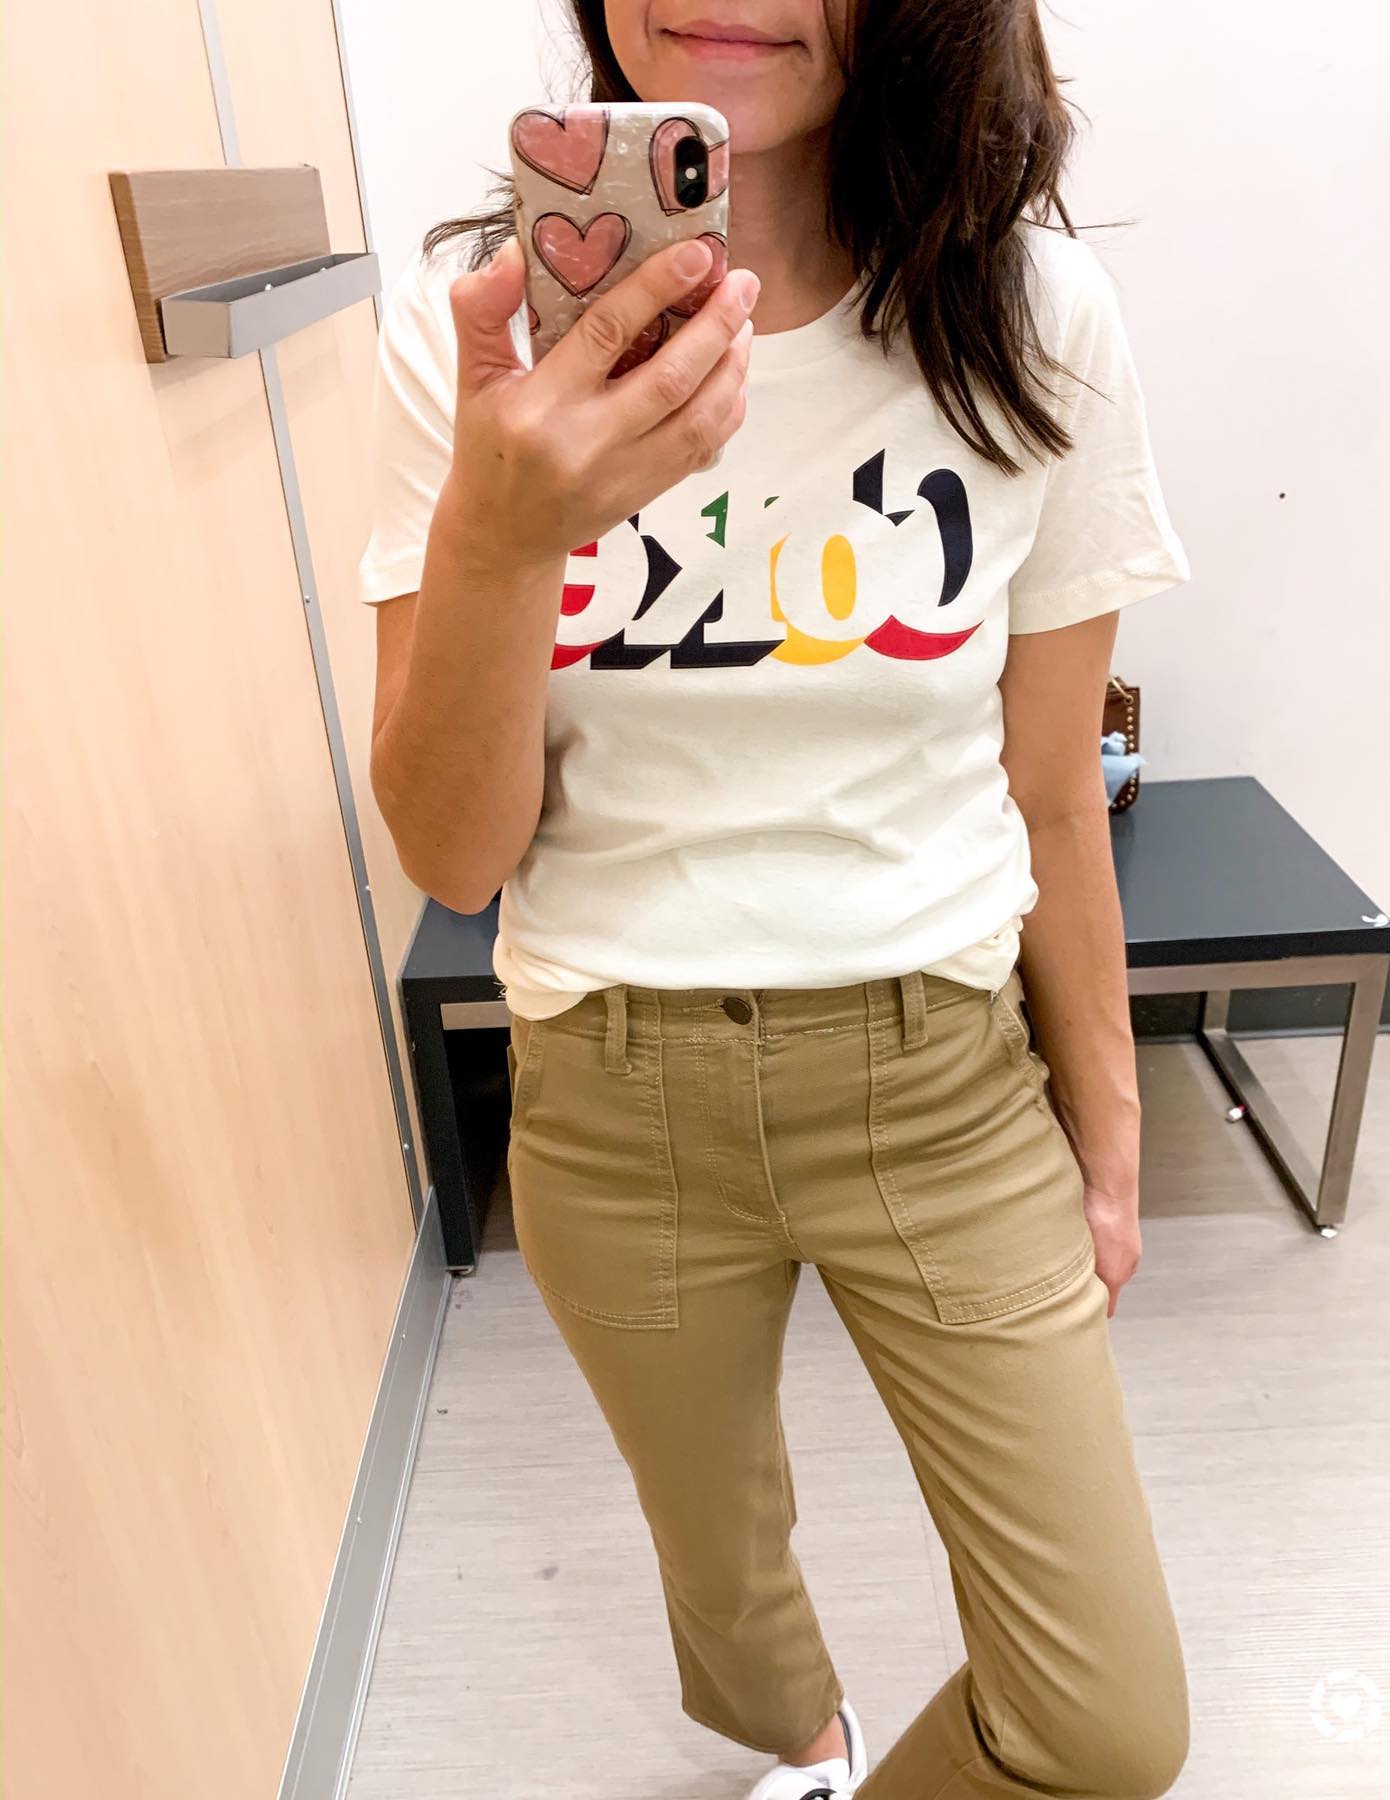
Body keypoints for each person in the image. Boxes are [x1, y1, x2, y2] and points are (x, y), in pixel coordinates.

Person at [359, 4, 1193, 1795]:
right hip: (615, 1101)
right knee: (721, 1562)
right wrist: (502, 530)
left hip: (943, 1084)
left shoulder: (1029, 316)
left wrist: (1111, 1138)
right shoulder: (481, 328)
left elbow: (1057, 788)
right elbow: (453, 855)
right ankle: (798, 1749)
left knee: (1104, 1724)